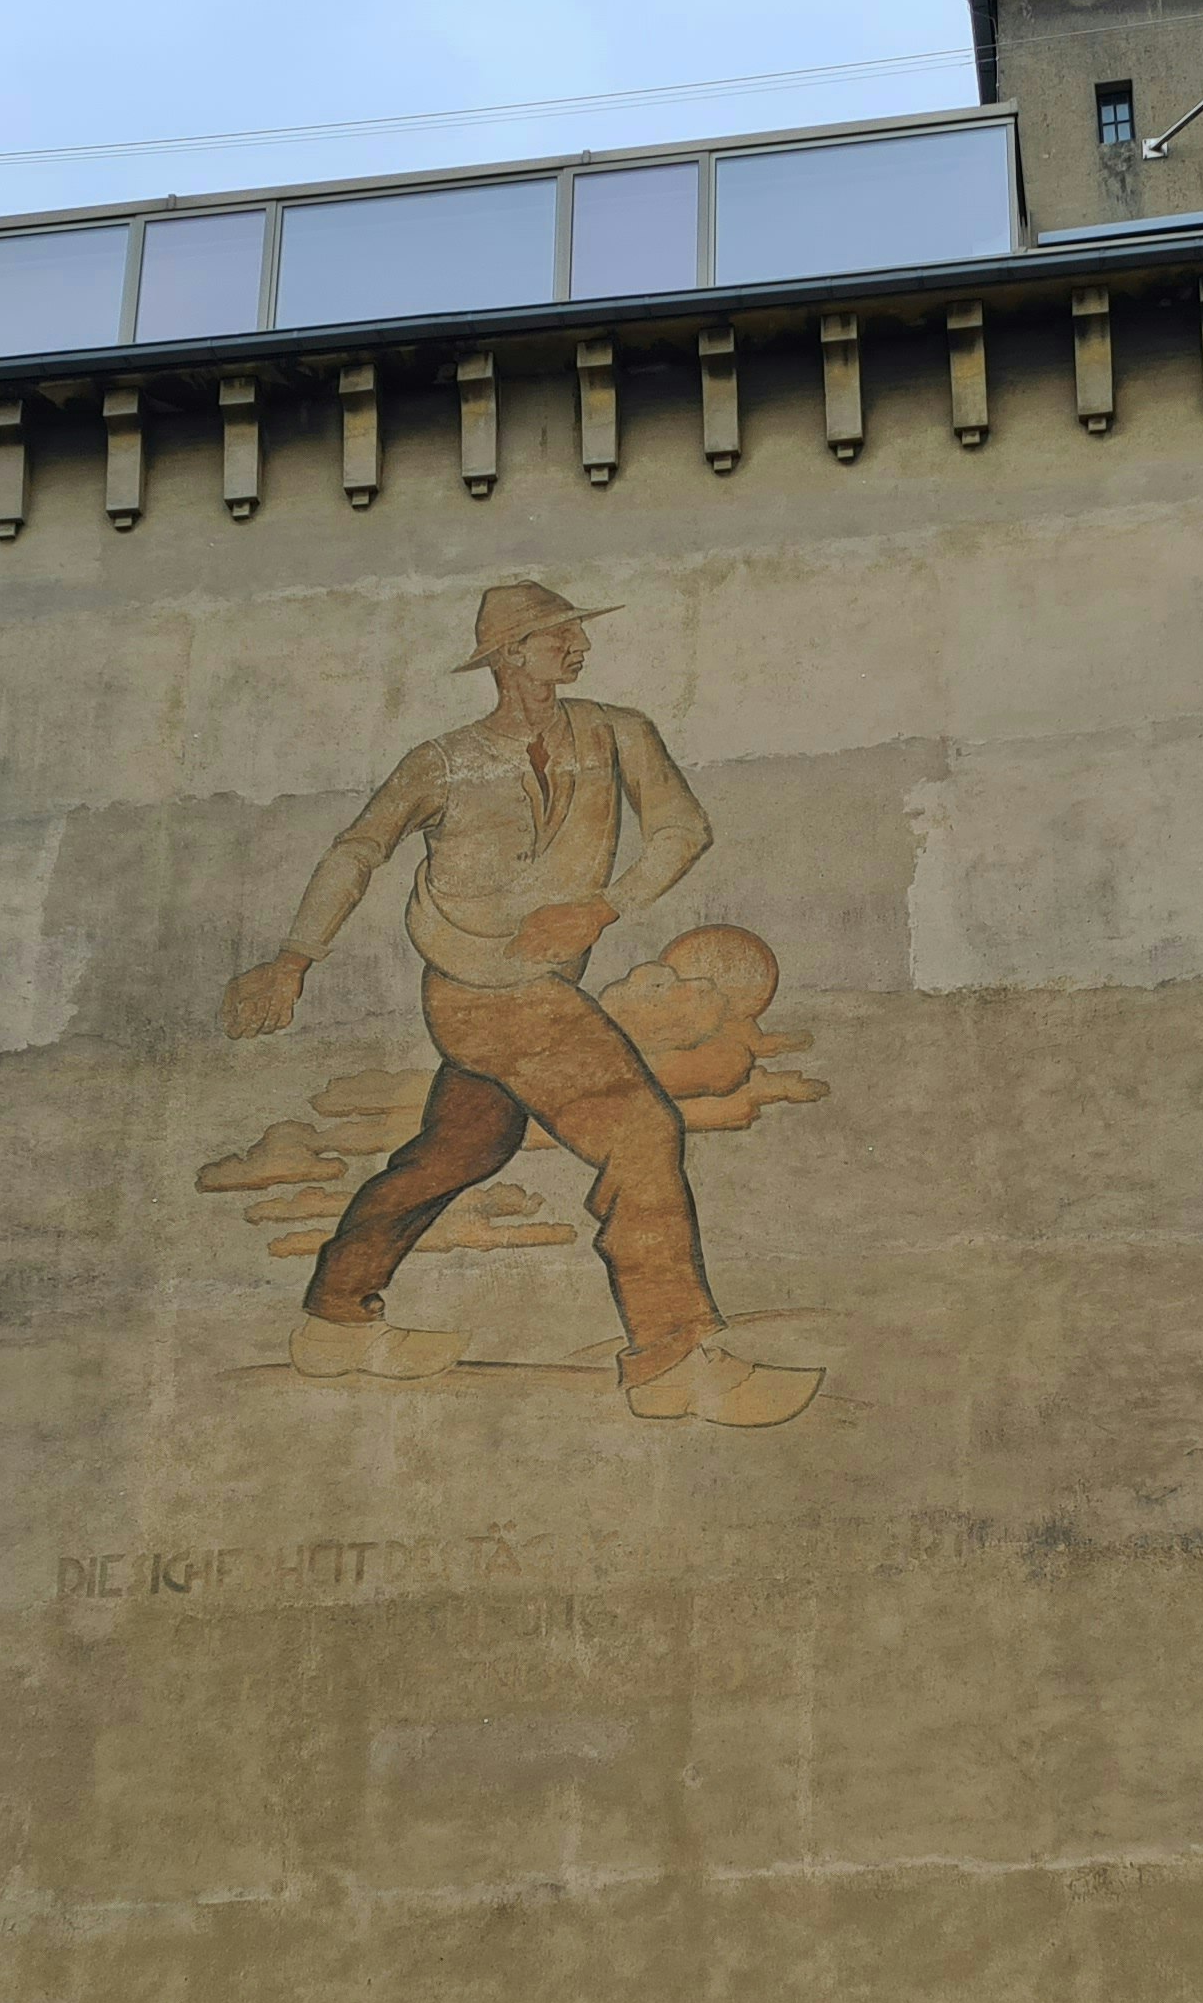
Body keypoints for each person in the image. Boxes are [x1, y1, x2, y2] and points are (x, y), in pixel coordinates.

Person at [222, 581, 821, 1430]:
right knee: (641, 1130)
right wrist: (293, 959)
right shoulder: (442, 761)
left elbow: (683, 829)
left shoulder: (619, 732)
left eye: (576, 632)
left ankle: (335, 1319)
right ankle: (675, 1360)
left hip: (540, 985)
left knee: (455, 1151)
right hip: (473, 990)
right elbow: (358, 850)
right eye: (557, 635)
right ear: (509, 654)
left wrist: (603, 907)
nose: (578, 646)